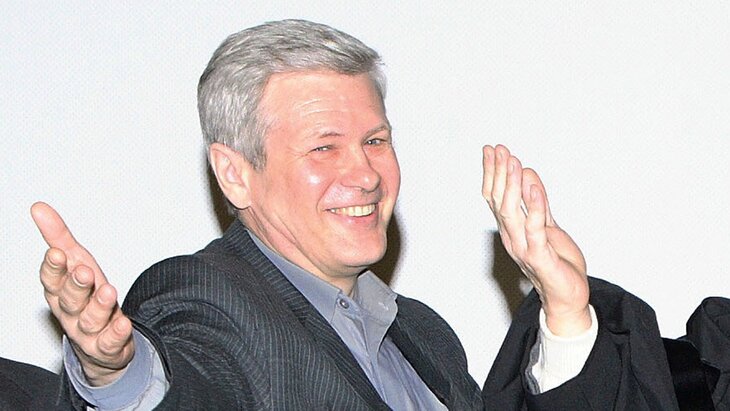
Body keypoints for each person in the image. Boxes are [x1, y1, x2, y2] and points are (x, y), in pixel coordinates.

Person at [31, 19, 678, 409]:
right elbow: (192, 388)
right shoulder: (204, 297)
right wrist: (117, 372)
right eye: (324, 148)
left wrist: (564, 315)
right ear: (235, 173)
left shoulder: (425, 335)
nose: (365, 173)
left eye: (375, 140)